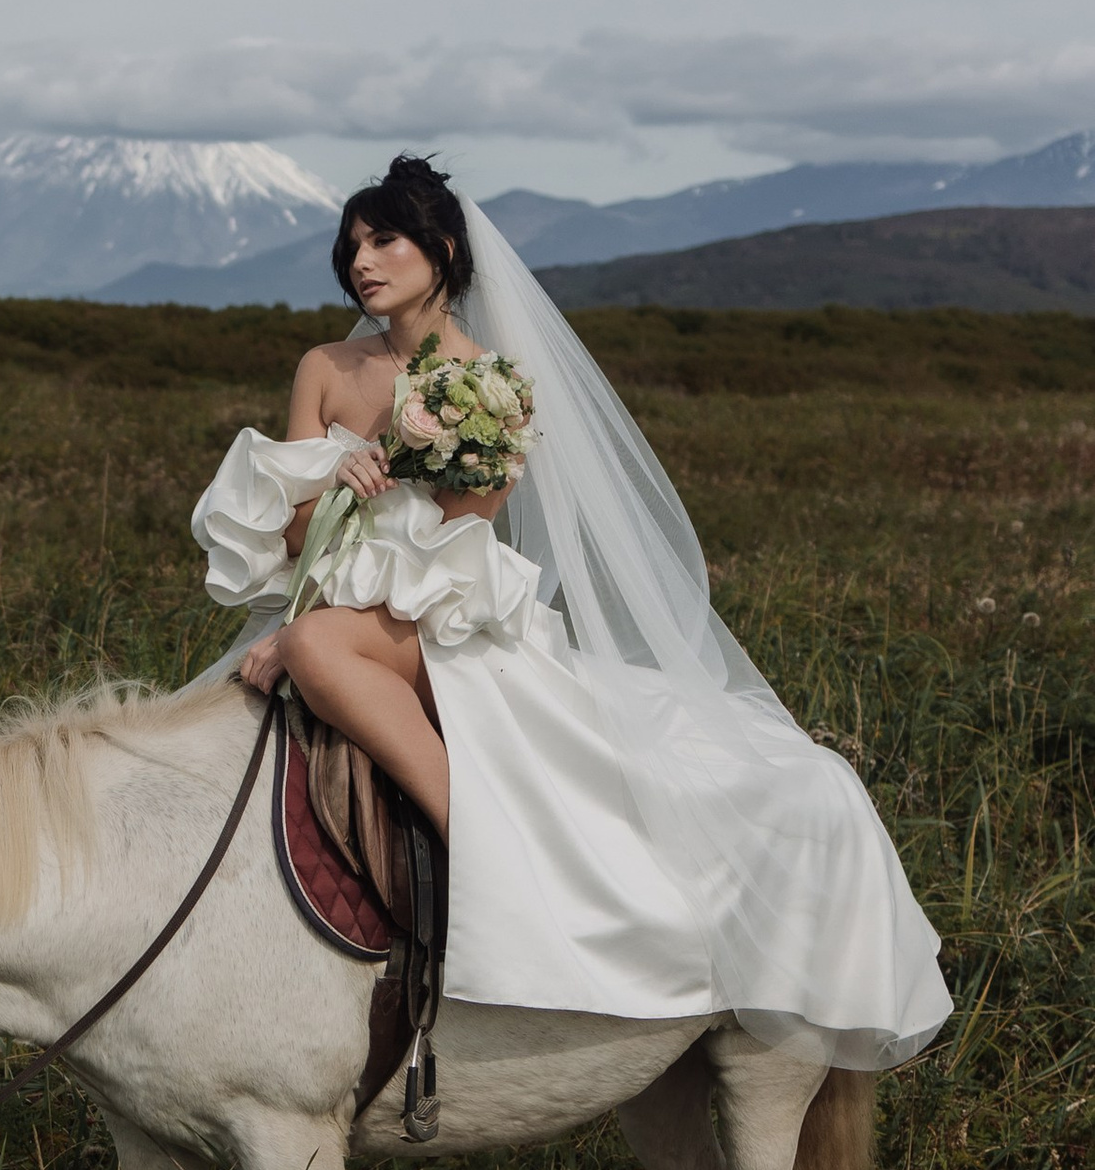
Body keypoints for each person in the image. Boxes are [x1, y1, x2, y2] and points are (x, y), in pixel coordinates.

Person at [192, 154, 950, 1073]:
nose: (360, 260)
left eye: (384, 240)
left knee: (315, 645)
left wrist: (320, 605)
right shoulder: (324, 367)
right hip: (331, 591)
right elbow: (290, 535)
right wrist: (333, 481)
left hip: (439, 608)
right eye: (351, 244)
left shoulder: (493, 385)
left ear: (441, 249)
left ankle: (478, 846)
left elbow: (461, 536)